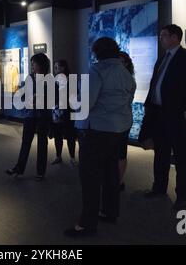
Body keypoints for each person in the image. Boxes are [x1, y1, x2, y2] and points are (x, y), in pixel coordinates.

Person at [64, 37, 136, 238]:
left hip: (95, 132)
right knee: (111, 174)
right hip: (117, 131)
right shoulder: (125, 73)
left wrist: (74, 100)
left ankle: (87, 224)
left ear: (97, 52)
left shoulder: (97, 71)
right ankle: (110, 211)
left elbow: (86, 103)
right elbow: (127, 102)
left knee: (90, 178)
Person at [139, 24, 186, 211]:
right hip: (158, 114)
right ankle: (159, 187)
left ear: (175, 37)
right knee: (161, 154)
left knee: (181, 157)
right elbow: (155, 85)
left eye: (164, 35)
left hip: (175, 115)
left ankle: (182, 196)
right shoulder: (161, 60)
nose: (161, 39)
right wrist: (148, 106)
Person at [6, 53, 51, 181]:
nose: (32, 66)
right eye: (32, 63)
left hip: (43, 115)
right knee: (26, 142)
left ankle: (40, 172)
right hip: (30, 114)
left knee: (42, 143)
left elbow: (54, 98)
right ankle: (19, 168)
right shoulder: (29, 77)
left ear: (41, 64)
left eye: (34, 63)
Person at [51, 60, 77, 166]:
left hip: (68, 110)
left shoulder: (71, 80)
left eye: (58, 67)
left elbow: (74, 95)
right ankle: (58, 156)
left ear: (64, 68)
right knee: (57, 135)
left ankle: (72, 157)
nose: (56, 70)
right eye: (55, 67)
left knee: (70, 135)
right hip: (56, 111)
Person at [118, 51, 135, 191]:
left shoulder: (128, 80)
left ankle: (119, 180)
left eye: (121, 62)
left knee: (121, 151)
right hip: (118, 120)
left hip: (122, 120)